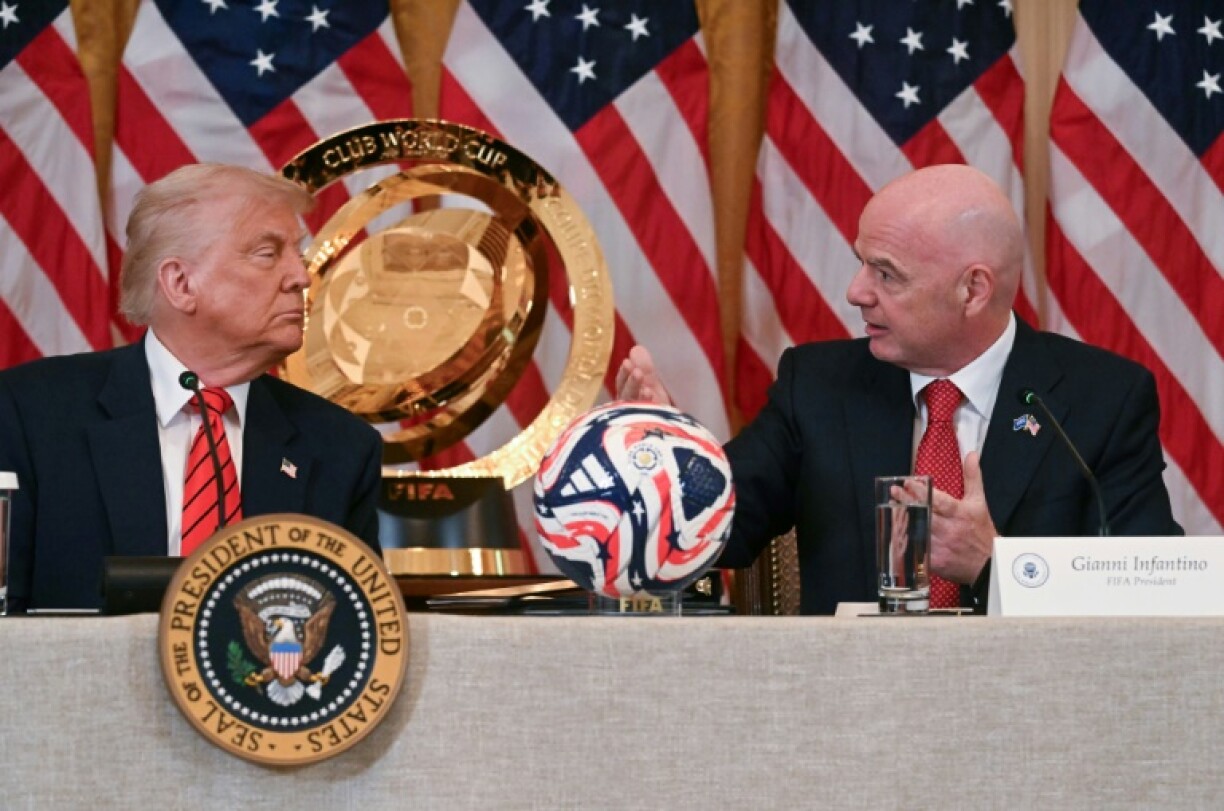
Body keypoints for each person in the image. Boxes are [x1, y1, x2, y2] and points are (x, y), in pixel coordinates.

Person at [618, 164, 1181, 614]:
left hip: (1030, 718)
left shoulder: (1101, 399)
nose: (855, 291)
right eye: (862, 264)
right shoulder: (817, 386)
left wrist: (994, 565)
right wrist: (666, 461)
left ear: (973, 290)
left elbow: (1150, 590)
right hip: (847, 715)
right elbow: (718, 532)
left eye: (886, 274)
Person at [0, 164, 383, 612]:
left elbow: (356, 629)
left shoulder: (341, 447)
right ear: (181, 284)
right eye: (267, 253)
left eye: (296, 253)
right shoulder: (29, 415)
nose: (300, 276)